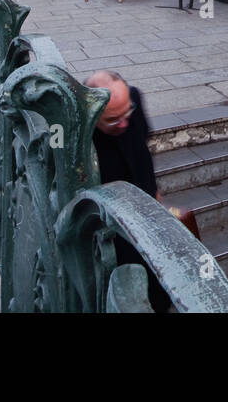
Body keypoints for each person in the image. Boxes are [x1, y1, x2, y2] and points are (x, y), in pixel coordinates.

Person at [88, 70, 170, 311]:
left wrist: (155, 191)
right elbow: (55, 150)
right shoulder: (73, 124)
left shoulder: (133, 97)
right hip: (114, 228)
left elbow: (142, 145)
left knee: (159, 286)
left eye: (127, 113)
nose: (124, 122)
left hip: (150, 212)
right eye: (113, 120)